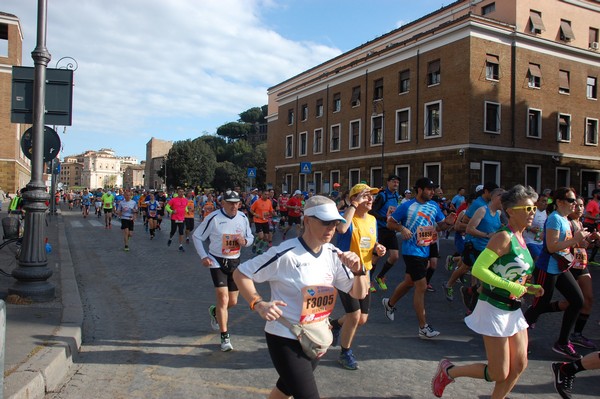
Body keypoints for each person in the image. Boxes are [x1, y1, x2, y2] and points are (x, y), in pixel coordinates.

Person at [233, 195, 369, 399]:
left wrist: (359, 271)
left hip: (316, 337)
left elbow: (358, 293)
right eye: (325, 222)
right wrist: (258, 303)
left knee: (284, 390)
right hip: (285, 336)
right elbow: (241, 273)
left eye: (334, 223)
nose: (331, 228)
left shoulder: (333, 253)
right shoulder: (285, 254)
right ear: (307, 220)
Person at [431, 184, 544, 399]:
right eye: (527, 209)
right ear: (511, 211)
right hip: (493, 307)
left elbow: (512, 273)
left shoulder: (522, 238)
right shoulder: (504, 237)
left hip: (513, 308)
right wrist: (514, 286)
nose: (532, 213)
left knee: (519, 365)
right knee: (498, 372)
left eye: (534, 209)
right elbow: (479, 269)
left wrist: (528, 287)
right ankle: (449, 371)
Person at [383, 178, 455, 338]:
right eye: (429, 189)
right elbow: (390, 223)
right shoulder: (407, 206)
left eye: (433, 189)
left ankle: (389, 303)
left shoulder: (434, 206)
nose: (432, 192)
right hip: (411, 250)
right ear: (420, 190)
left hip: (426, 249)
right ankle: (423, 327)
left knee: (409, 282)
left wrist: (448, 223)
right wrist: (402, 228)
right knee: (421, 287)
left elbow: (440, 226)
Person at [524, 187, 591, 360]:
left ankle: (562, 342)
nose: (574, 204)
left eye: (575, 201)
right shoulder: (554, 218)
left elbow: (566, 244)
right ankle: (518, 331)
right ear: (560, 202)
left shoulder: (565, 219)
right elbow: (552, 246)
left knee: (577, 300)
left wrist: (583, 239)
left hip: (561, 267)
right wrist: (575, 239)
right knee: (539, 305)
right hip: (547, 268)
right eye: (571, 200)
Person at [330, 184, 386, 370]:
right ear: (356, 198)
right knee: (354, 316)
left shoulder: (372, 219)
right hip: (346, 273)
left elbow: (370, 240)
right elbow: (342, 229)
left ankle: (336, 324)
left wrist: (378, 247)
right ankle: (345, 352)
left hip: (365, 272)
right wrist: (352, 205)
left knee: (362, 319)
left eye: (372, 196)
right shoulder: (348, 217)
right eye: (366, 196)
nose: (370, 199)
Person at [192, 190, 254, 352]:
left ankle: (214, 311)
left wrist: (245, 241)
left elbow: (251, 238)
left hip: (235, 262)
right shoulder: (213, 218)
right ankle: (225, 336)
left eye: (237, 203)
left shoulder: (243, 217)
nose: (234, 206)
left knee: (232, 302)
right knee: (223, 298)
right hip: (216, 261)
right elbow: (197, 236)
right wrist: (203, 256)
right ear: (223, 203)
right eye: (230, 203)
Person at [443, 188, 505, 306]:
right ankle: (450, 285)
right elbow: (469, 229)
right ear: (496, 198)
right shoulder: (482, 210)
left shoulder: (498, 213)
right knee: (465, 268)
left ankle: (472, 296)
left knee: (478, 274)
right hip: (474, 247)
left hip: (488, 250)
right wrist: (487, 235)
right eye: (503, 200)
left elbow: (493, 227)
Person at [557, 196, 598, 349]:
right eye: (576, 205)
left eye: (582, 205)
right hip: (570, 264)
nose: (579, 208)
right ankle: (538, 311)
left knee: (588, 299)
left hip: (581, 264)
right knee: (571, 302)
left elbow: (583, 246)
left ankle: (577, 334)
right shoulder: (567, 223)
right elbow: (565, 246)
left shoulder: (580, 223)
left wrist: (591, 239)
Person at [368, 174, 401, 291]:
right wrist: (383, 218)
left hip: (390, 229)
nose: (396, 184)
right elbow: (372, 211)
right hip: (381, 229)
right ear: (388, 183)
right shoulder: (383, 196)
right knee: (376, 257)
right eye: (393, 182)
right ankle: (368, 280)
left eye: (397, 182)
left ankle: (380, 276)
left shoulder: (396, 196)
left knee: (395, 256)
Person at [522, 192, 549, 262]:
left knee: (544, 259)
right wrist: (531, 229)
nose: (546, 203)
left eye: (547, 201)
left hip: (540, 242)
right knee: (538, 258)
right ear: (537, 202)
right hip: (530, 241)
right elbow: (523, 223)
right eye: (543, 201)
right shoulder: (532, 211)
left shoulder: (545, 212)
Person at [165, 188, 189, 252]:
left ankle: (180, 245)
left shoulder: (186, 200)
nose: (181, 193)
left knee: (181, 232)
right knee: (173, 231)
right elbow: (166, 207)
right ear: (177, 193)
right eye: (180, 192)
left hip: (182, 218)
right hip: (174, 218)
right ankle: (170, 238)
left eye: (182, 192)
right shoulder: (173, 200)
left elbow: (185, 207)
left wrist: (187, 211)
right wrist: (172, 211)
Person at [582, 188, 600, 263]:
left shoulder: (597, 203)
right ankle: (581, 258)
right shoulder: (592, 203)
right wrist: (597, 218)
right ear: (595, 195)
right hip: (589, 224)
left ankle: (591, 258)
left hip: (594, 224)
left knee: (597, 241)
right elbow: (586, 215)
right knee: (587, 242)